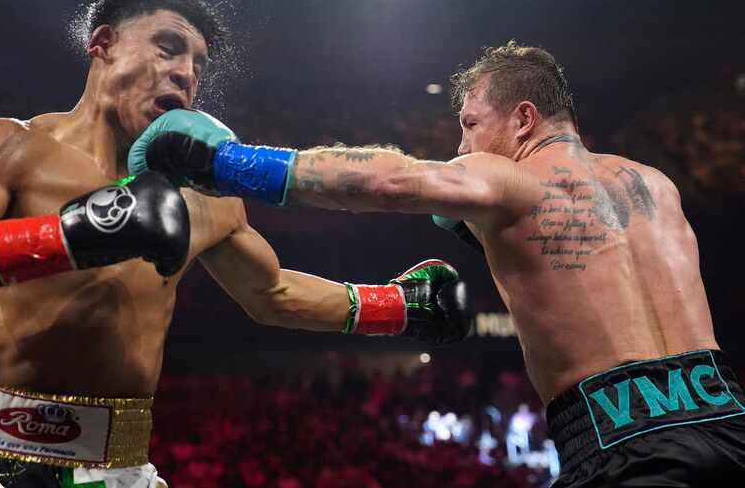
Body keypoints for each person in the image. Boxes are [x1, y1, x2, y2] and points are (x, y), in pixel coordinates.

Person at [0, 0, 472, 488]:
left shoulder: (204, 195)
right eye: (167, 47)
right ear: (103, 44)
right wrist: (69, 238)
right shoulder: (13, 147)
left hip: (112, 464)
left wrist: (397, 307)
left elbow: (271, 291)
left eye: (198, 64)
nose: (185, 72)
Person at [135, 41, 745, 486]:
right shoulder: (655, 183)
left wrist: (226, 164)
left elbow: (388, 182)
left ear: (524, 118)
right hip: (728, 418)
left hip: (624, 443)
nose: (461, 148)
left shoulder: (508, 178)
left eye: (471, 125)